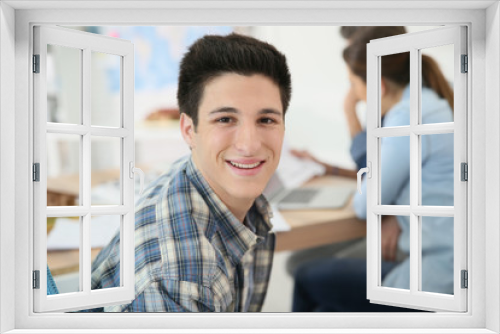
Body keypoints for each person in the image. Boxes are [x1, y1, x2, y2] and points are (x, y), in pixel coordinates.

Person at [87, 33, 292, 312]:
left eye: (266, 120)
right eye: (225, 119)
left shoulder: (209, 184)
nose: (249, 144)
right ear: (188, 130)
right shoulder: (175, 280)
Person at [292, 26, 454, 312]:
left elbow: (365, 204)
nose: (353, 93)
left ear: (377, 86)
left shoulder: (407, 118)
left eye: (353, 84)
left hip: (434, 272)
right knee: (325, 304)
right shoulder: (429, 104)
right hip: (444, 257)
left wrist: (384, 206)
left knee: (306, 278)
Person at [292, 26, 407, 177]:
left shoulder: (403, 115)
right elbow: (377, 172)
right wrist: (326, 168)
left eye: (355, 54)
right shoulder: (387, 106)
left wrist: (349, 109)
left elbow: (373, 176)